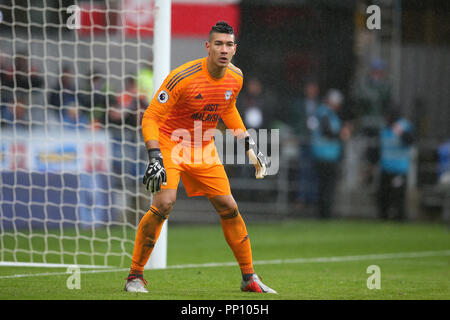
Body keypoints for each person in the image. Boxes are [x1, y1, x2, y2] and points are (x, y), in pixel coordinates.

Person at [124, 21, 276, 294]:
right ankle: (134, 276)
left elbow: (227, 110)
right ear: (208, 46)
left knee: (229, 206)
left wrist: (247, 143)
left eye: (229, 44)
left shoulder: (236, 77)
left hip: (203, 147)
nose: (224, 49)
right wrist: (155, 155)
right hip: (171, 144)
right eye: (218, 44)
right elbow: (151, 117)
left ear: (234, 48)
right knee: (164, 204)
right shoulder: (182, 77)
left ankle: (249, 278)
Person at [311, 89, 351, 219]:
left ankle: (324, 213)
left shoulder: (327, 113)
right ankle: (325, 214)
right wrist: (341, 134)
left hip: (328, 155)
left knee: (325, 187)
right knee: (327, 188)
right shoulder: (325, 113)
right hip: (326, 156)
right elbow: (327, 131)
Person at [376, 108, 414, 221]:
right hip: (386, 168)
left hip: (399, 168)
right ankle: (383, 218)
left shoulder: (405, 126)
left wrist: (400, 132)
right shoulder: (384, 128)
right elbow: (380, 147)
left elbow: (411, 141)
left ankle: (399, 219)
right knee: (383, 196)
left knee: (398, 197)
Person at [290, 80, 321, 205]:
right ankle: (302, 197)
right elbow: (295, 120)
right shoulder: (299, 104)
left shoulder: (320, 104)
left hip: (317, 141)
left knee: (315, 170)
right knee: (303, 169)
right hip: (304, 140)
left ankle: (313, 198)